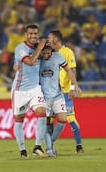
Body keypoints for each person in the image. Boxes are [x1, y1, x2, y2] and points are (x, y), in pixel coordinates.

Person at [11, 24, 48, 158]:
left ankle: (37, 147)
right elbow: (31, 62)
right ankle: (22, 150)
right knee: (19, 118)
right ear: (26, 34)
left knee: (42, 113)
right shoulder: (20, 48)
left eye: (35, 34)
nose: (33, 36)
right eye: (30, 34)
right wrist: (39, 48)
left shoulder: (41, 48)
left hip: (35, 88)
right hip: (20, 90)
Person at [39, 45, 82, 157]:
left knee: (62, 119)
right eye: (45, 53)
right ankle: (49, 149)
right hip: (44, 97)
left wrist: (74, 85)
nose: (47, 55)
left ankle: (51, 141)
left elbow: (69, 69)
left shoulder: (58, 57)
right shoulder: (36, 61)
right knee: (47, 123)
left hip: (58, 95)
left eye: (49, 53)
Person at [46, 29, 84, 153]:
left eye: (49, 37)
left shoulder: (67, 52)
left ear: (56, 39)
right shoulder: (48, 53)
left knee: (70, 118)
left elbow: (72, 70)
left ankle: (79, 146)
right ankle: (52, 147)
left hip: (66, 91)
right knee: (50, 119)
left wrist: (73, 87)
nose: (48, 39)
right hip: (51, 92)